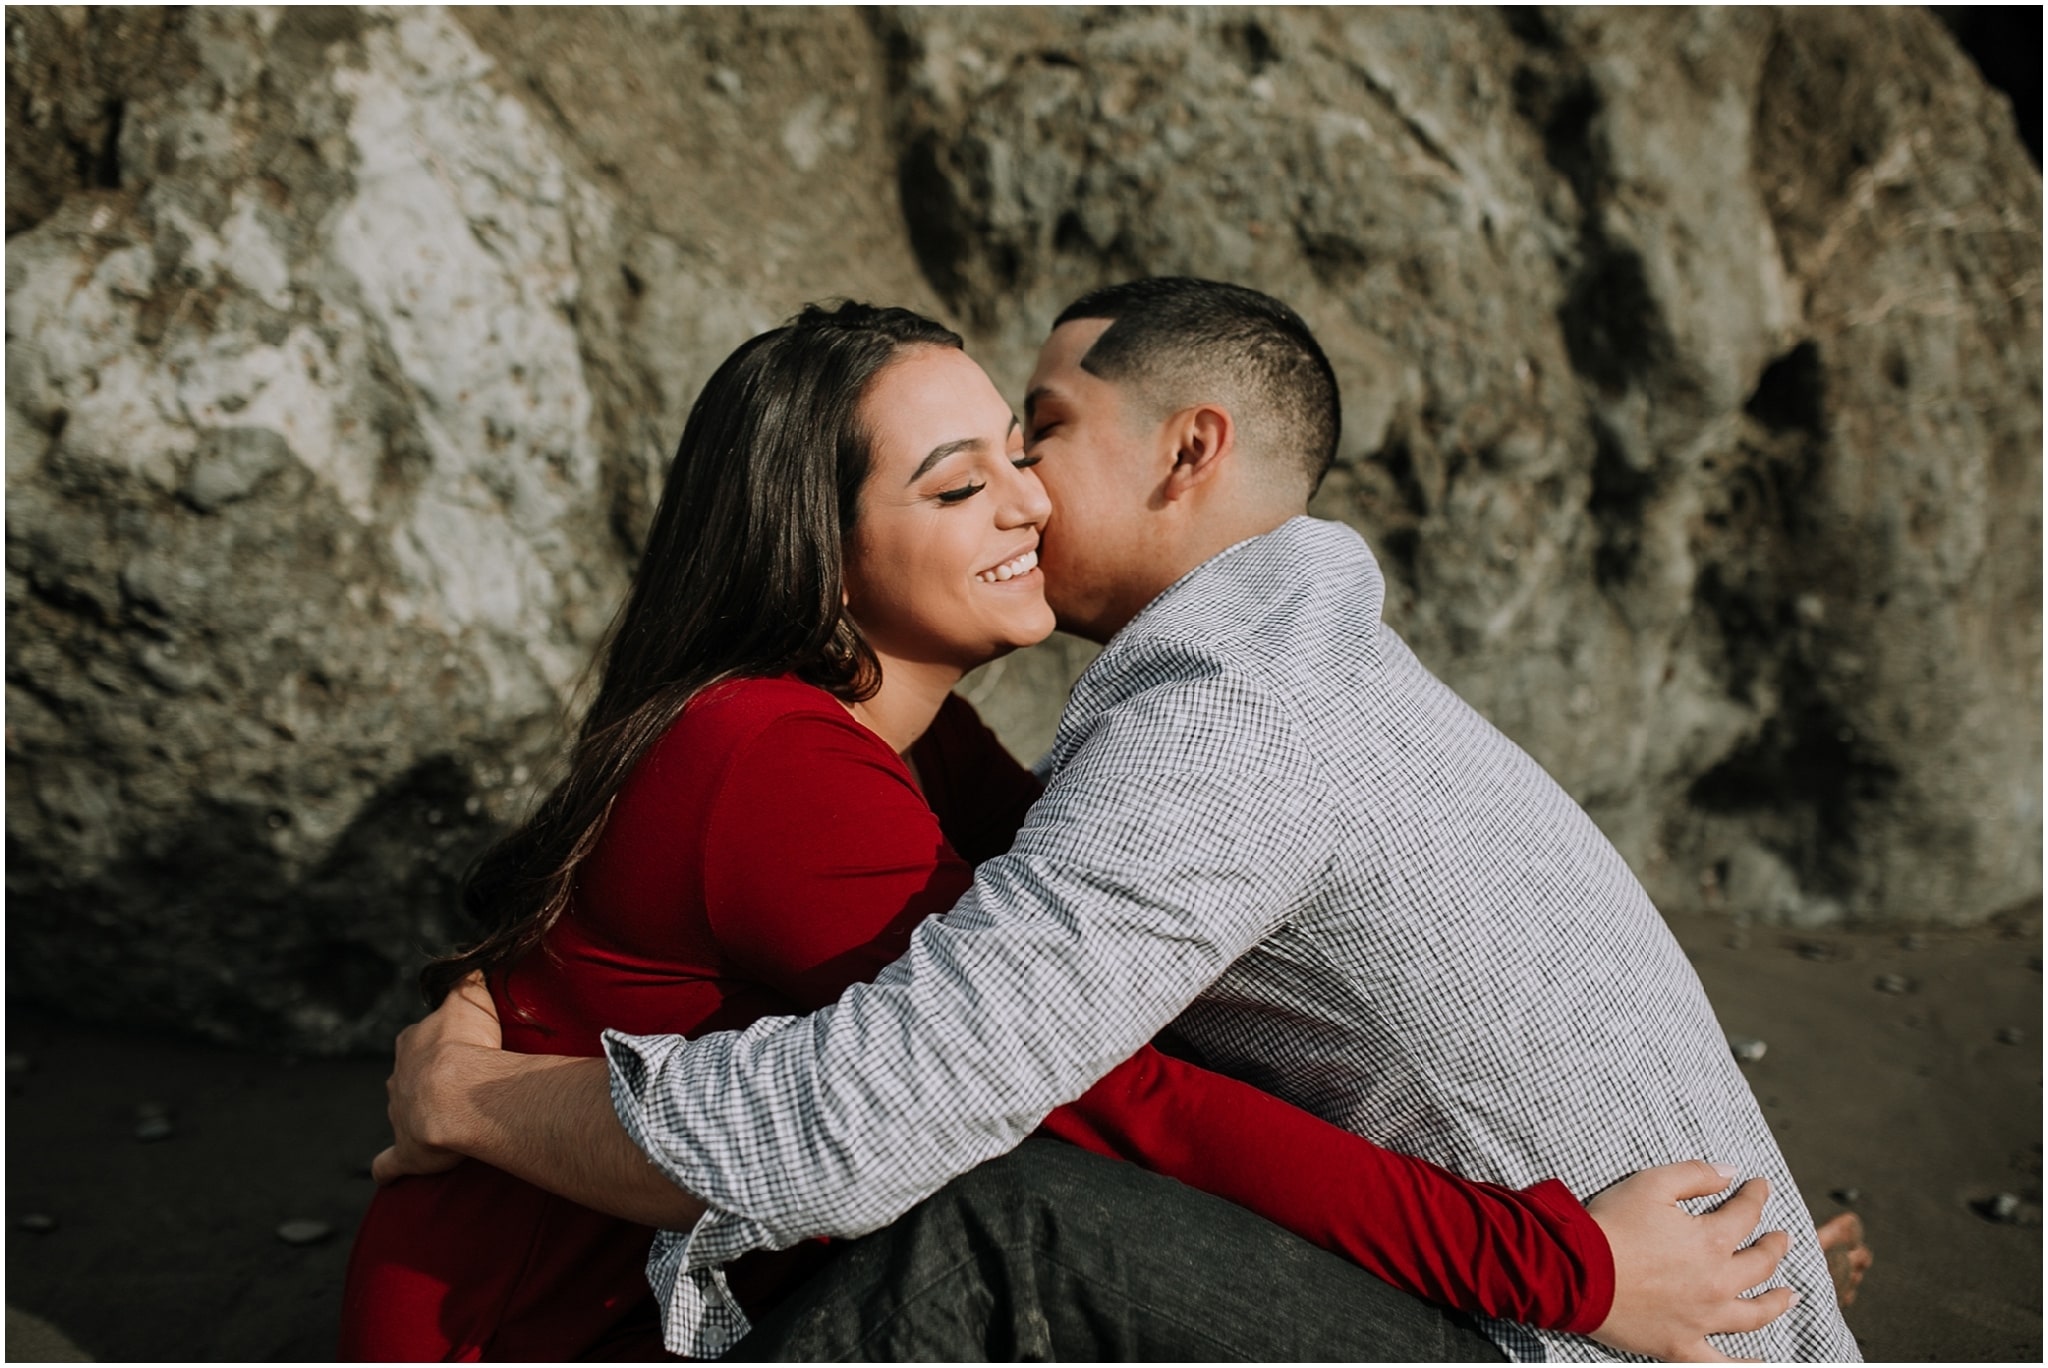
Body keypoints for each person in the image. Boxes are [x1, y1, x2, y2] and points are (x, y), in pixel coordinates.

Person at [371, 287, 1843, 1360]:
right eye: (969, 477)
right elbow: (1084, 1086)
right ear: (820, 549)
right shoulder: (790, 756)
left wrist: (1624, 1258)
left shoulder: (1152, 727)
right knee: (1012, 1203)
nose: (1024, 497)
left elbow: (1073, 1026)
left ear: (1186, 454)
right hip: (531, 1331)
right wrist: (1568, 1262)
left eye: (1035, 438)